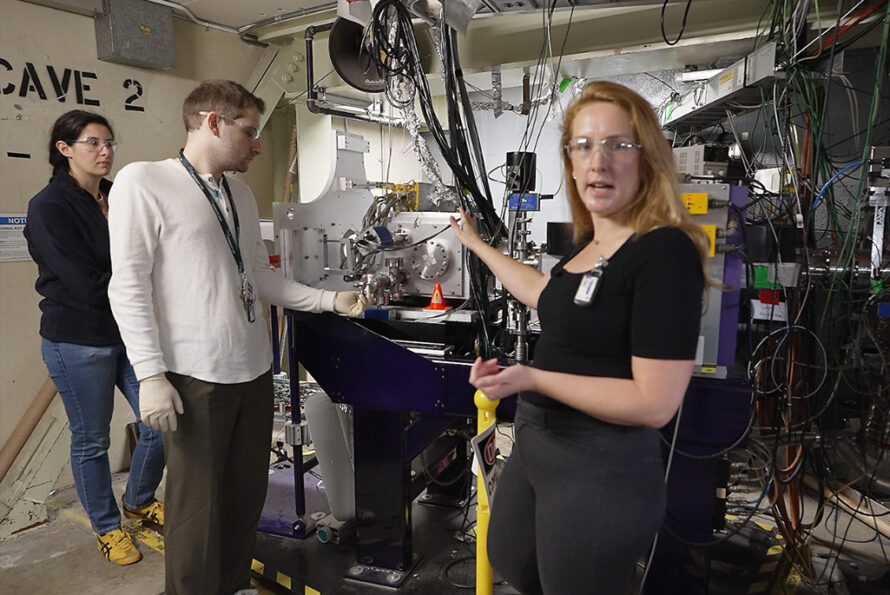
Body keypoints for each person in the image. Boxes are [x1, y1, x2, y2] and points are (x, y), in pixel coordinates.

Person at [106, 79, 366, 595]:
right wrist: (151, 375)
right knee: (197, 511)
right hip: (195, 378)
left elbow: (258, 277)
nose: (257, 145)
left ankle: (230, 586)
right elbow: (127, 286)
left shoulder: (239, 193)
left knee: (243, 497)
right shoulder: (144, 182)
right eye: (249, 131)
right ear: (211, 121)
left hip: (252, 371)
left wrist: (326, 299)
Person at [449, 80, 709, 594]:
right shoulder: (590, 246)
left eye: (619, 144)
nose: (598, 161)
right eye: (584, 145)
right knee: (510, 557)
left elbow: (654, 402)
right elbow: (543, 294)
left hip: (599, 466)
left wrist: (534, 377)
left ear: (648, 158)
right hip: (538, 446)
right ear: (569, 161)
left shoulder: (662, 252)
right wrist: (475, 244)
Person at [24, 110, 165, 566]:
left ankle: (139, 500)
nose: (105, 152)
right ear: (65, 149)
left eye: (109, 143)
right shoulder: (49, 206)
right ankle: (107, 528)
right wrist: (144, 287)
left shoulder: (116, 196)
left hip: (129, 333)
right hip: (78, 341)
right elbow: (84, 283)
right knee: (91, 441)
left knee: (159, 423)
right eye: (92, 143)